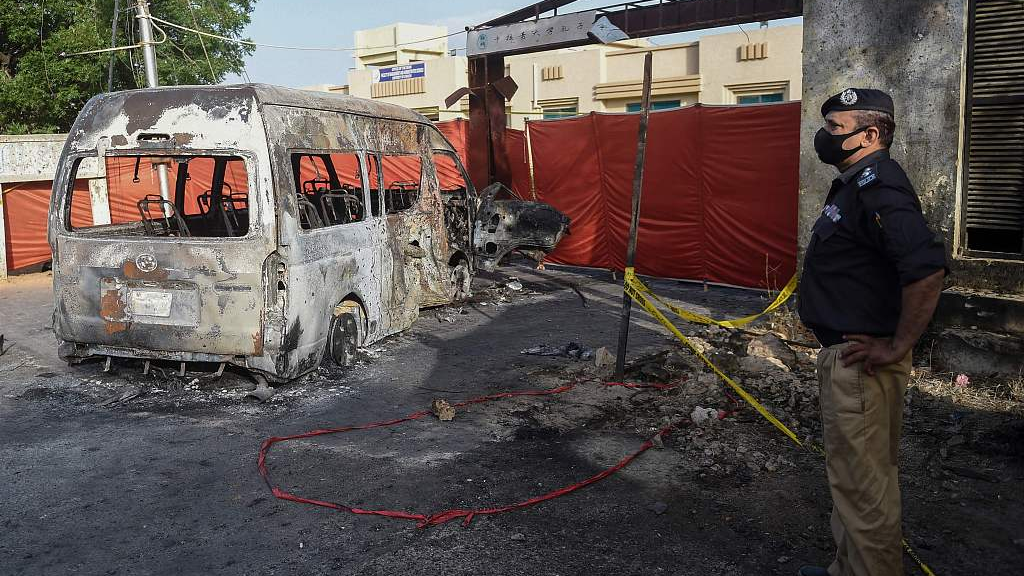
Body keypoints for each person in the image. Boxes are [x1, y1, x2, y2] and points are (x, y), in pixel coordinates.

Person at [797, 88, 948, 576]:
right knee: (852, 481)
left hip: (862, 364)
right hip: (847, 359)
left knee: (864, 490)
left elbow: (925, 269)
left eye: (836, 129)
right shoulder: (855, 183)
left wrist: (900, 344)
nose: (824, 136)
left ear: (872, 133)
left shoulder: (880, 184)